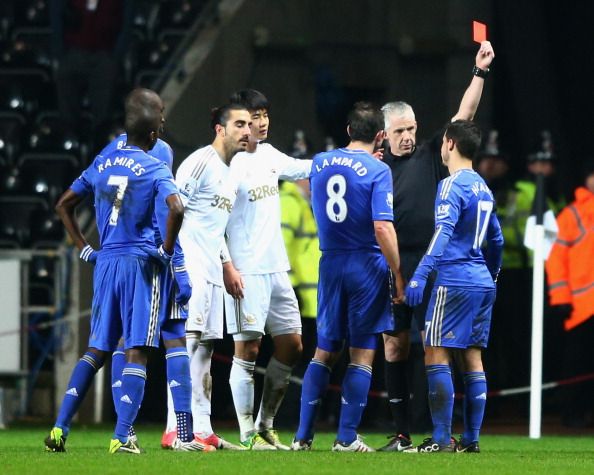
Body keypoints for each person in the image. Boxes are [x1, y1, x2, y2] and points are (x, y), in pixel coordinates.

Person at [44, 88, 185, 454]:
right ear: (153, 133)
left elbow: (63, 204)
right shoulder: (156, 163)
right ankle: (122, 436)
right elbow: (176, 207)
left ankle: (59, 429)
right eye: (162, 115)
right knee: (138, 348)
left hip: (105, 262)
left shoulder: (103, 160)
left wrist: (85, 249)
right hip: (140, 264)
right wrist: (167, 252)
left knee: (97, 349)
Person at [379, 40, 495, 451]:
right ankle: (401, 432)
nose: (409, 136)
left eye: (412, 128)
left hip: (434, 264)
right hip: (394, 263)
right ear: (385, 135)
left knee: (437, 347)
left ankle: (441, 433)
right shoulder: (377, 168)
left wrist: (479, 72)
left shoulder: (432, 153)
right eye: (400, 131)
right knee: (395, 345)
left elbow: (465, 116)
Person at [292, 102, 403, 452]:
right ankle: (346, 437)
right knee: (362, 353)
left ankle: (302, 437)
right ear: (381, 136)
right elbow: (382, 226)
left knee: (324, 351)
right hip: (365, 264)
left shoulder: (321, 162)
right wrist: (398, 273)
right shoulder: (377, 169)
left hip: (330, 263)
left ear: (349, 130)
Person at [98, 131, 213, 451]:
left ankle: (125, 429)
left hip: (121, 264)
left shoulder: (113, 154)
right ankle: (182, 434)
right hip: (156, 265)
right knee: (175, 338)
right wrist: (180, 272)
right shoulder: (159, 163)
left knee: (123, 342)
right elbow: (169, 219)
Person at [405, 120, 503, 453]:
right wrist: (493, 274)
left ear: (448, 144)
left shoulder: (451, 185)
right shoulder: (483, 187)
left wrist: (420, 273)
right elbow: (497, 239)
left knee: (435, 351)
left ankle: (441, 438)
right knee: (472, 358)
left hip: (455, 279)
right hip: (481, 282)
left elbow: (443, 233)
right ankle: (471, 440)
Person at [221, 89, 312, 450]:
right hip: (246, 270)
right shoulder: (231, 164)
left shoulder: (271, 155)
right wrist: (227, 265)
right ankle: (247, 434)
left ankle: (265, 424)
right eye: (253, 117)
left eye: (264, 114)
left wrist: (349, 156)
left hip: (277, 270)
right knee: (248, 350)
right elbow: (215, 221)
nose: (261, 122)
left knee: (292, 344)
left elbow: (306, 167)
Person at [160, 103, 252, 450]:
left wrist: (227, 264)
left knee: (207, 347)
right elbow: (171, 209)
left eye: (248, 124)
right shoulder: (200, 162)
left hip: (213, 266)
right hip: (191, 265)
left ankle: (202, 427)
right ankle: (174, 428)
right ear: (220, 129)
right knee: (187, 344)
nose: (247, 130)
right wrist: (173, 260)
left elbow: (216, 226)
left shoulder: (233, 170)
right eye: (239, 124)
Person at [546, 159, 594, 427]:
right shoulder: (573, 214)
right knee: (577, 363)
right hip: (581, 306)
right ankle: (572, 413)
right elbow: (555, 259)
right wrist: (561, 298)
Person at [50, 0, 134, 140]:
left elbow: (126, 23)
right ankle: (70, 135)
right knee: (65, 80)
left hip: (104, 55)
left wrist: (116, 56)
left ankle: (100, 138)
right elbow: (57, 17)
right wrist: (60, 53)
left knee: (103, 105)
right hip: (74, 52)